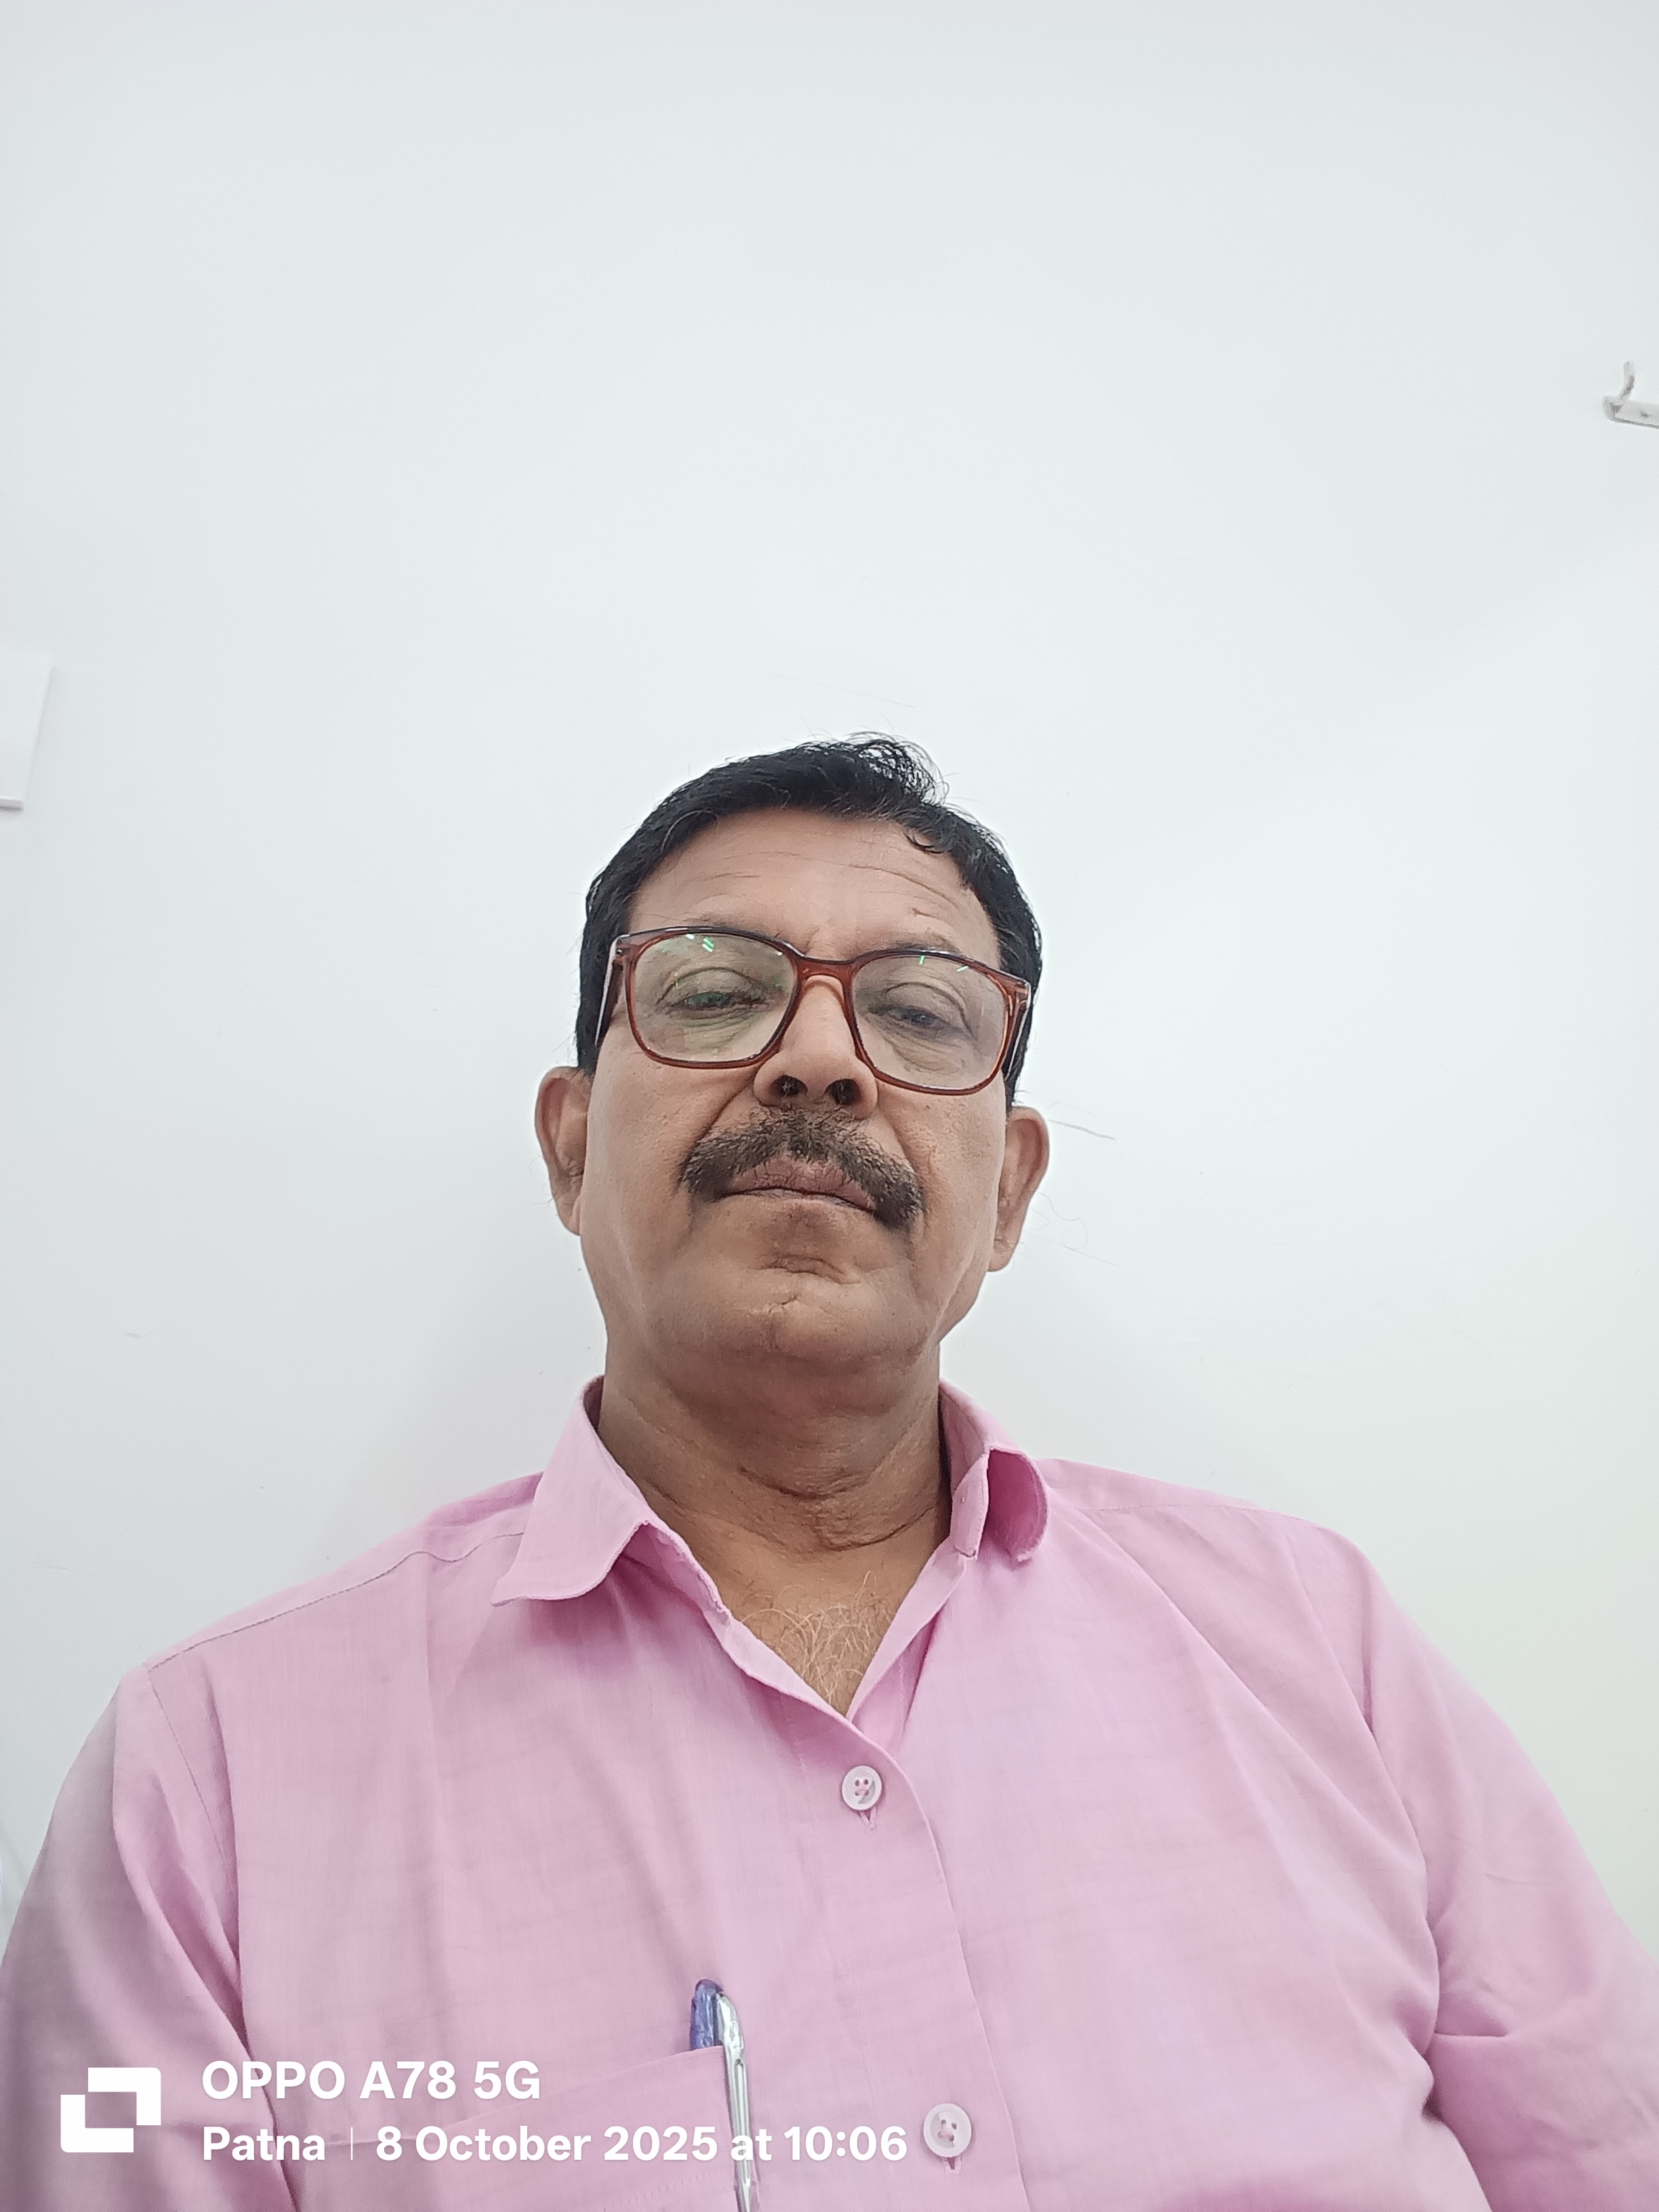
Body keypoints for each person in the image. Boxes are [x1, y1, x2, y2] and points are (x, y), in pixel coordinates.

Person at [1, 736, 1656, 2211]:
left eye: (920, 1013)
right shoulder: (204, 1782)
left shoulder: (1316, 1639)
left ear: (1008, 1196)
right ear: (570, 1145)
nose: (817, 1060)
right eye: (714, 992)